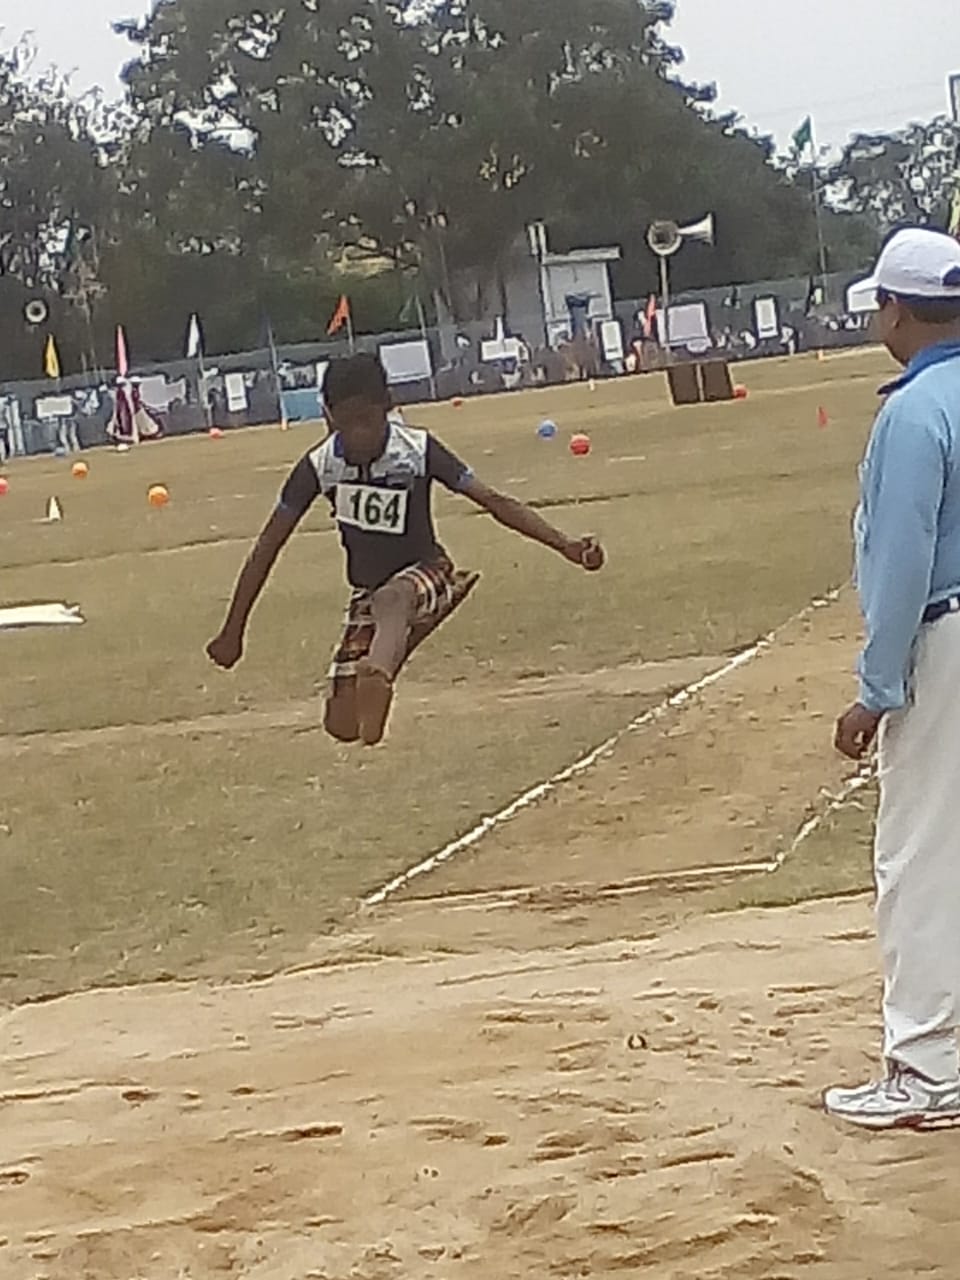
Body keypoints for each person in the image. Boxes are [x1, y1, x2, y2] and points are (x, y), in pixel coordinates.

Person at [206, 353, 605, 746]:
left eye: (367, 421)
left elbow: (494, 501)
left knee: (394, 598)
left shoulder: (417, 450)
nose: (359, 435)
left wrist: (566, 545)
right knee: (343, 725)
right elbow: (268, 546)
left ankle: (380, 671)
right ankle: (399, 642)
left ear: (388, 406)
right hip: (368, 591)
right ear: (328, 417)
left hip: (427, 571)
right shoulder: (319, 467)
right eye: (346, 425)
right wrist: (232, 630)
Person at [826, 227, 960, 1130]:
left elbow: (903, 558)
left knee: (917, 855)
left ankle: (925, 1066)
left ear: (897, 311)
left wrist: (877, 689)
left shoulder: (914, 413)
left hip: (947, 639)